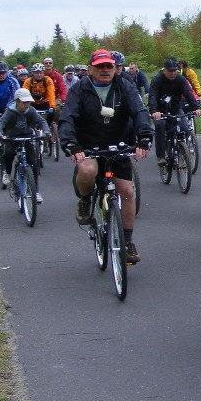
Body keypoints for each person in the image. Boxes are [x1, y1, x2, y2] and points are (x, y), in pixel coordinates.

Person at [59, 49, 153, 264]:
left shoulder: (124, 85)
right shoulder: (80, 88)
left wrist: (144, 138)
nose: (105, 70)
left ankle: (127, 241)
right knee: (88, 170)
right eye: (100, 66)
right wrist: (71, 144)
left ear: (114, 68)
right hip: (88, 146)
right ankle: (84, 199)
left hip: (117, 145)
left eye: (109, 66)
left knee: (127, 191)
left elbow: (138, 111)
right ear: (90, 68)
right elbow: (67, 118)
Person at [0, 88, 50, 201]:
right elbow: (1, 123)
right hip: (12, 137)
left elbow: (41, 121)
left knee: (34, 164)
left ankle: (35, 192)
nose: (27, 104)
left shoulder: (31, 110)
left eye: (28, 102)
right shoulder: (10, 111)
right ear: (17, 101)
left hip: (27, 137)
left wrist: (46, 131)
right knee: (8, 154)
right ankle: (7, 172)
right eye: (24, 102)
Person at [148, 58, 201, 166]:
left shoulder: (180, 79)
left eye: (175, 71)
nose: (173, 73)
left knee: (185, 128)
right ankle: (161, 156)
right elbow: (153, 96)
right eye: (170, 71)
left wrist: (196, 108)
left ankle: (182, 150)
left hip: (175, 108)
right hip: (160, 110)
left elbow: (188, 94)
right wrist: (154, 111)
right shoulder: (157, 80)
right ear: (164, 70)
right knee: (160, 126)